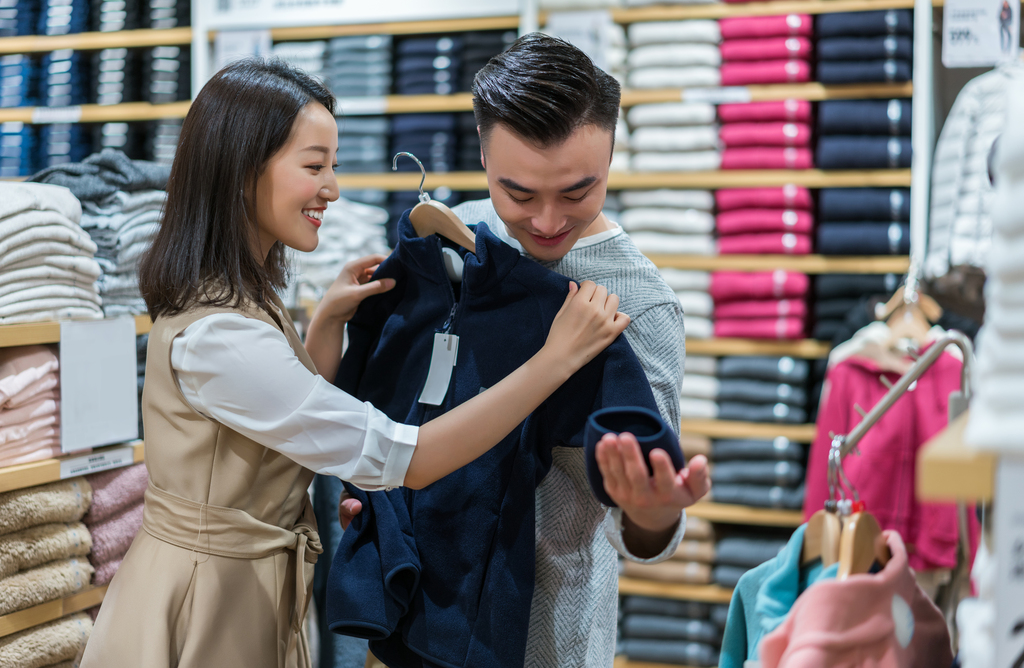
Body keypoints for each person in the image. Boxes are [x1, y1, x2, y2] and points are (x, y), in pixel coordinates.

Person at [79, 57, 631, 668]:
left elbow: (286, 417)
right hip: (203, 599)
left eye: (333, 166)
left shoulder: (237, 297)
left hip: (239, 582)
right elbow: (407, 459)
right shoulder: (222, 337)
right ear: (241, 170)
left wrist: (328, 323)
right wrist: (552, 361)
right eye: (315, 166)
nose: (333, 189)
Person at [340, 34, 712, 667]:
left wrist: (651, 516)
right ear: (483, 153)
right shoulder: (459, 241)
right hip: (414, 613)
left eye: (575, 193)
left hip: (545, 640)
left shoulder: (638, 304)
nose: (545, 221)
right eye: (519, 194)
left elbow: (641, 517)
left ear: (611, 153)